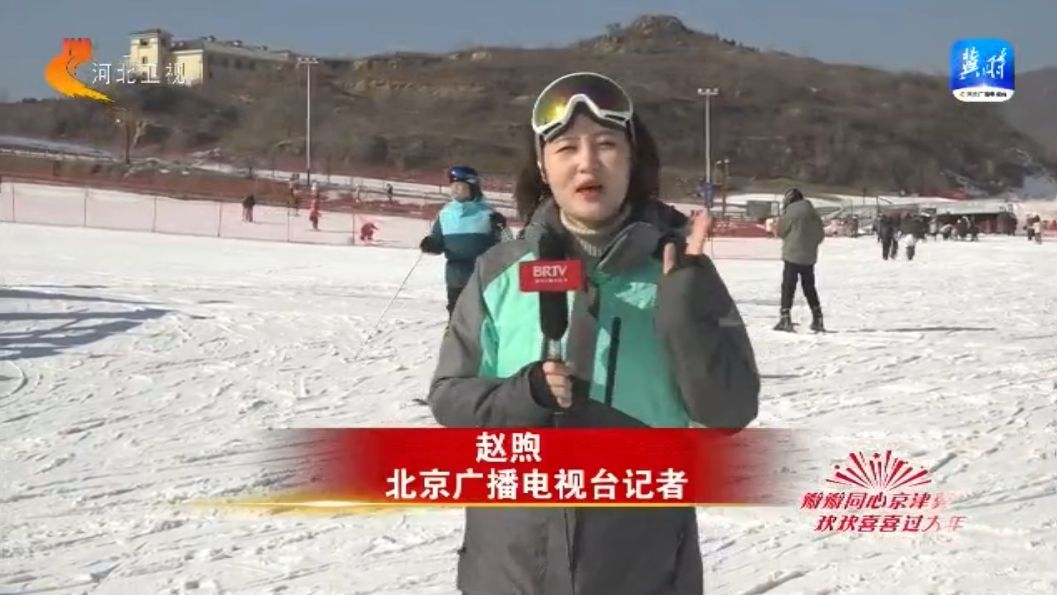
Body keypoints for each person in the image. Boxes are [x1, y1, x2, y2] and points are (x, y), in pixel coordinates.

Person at [426, 72, 759, 595]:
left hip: (642, 561)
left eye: (606, 144)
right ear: (543, 166)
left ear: (632, 158)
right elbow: (449, 397)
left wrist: (683, 304)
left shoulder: (680, 269)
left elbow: (728, 412)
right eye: (566, 148)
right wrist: (524, 395)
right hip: (511, 564)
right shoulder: (498, 272)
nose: (587, 163)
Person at [419, 165, 506, 318]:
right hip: (455, 276)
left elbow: (505, 245)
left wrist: (501, 227)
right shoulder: (446, 214)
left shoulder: (487, 214)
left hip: (481, 276)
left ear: (473, 188)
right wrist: (430, 244)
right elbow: (438, 243)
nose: (455, 190)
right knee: (456, 315)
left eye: (460, 186)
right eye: (453, 186)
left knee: (480, 317)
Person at [774, 187, 826, 332]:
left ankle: (785, 317)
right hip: (809, 257)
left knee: (788, 286)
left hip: (792, 255)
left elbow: (781, 231)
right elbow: (820, 235)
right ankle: (818, 317)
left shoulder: (790, 212)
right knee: (809, 287)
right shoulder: (813, 213)